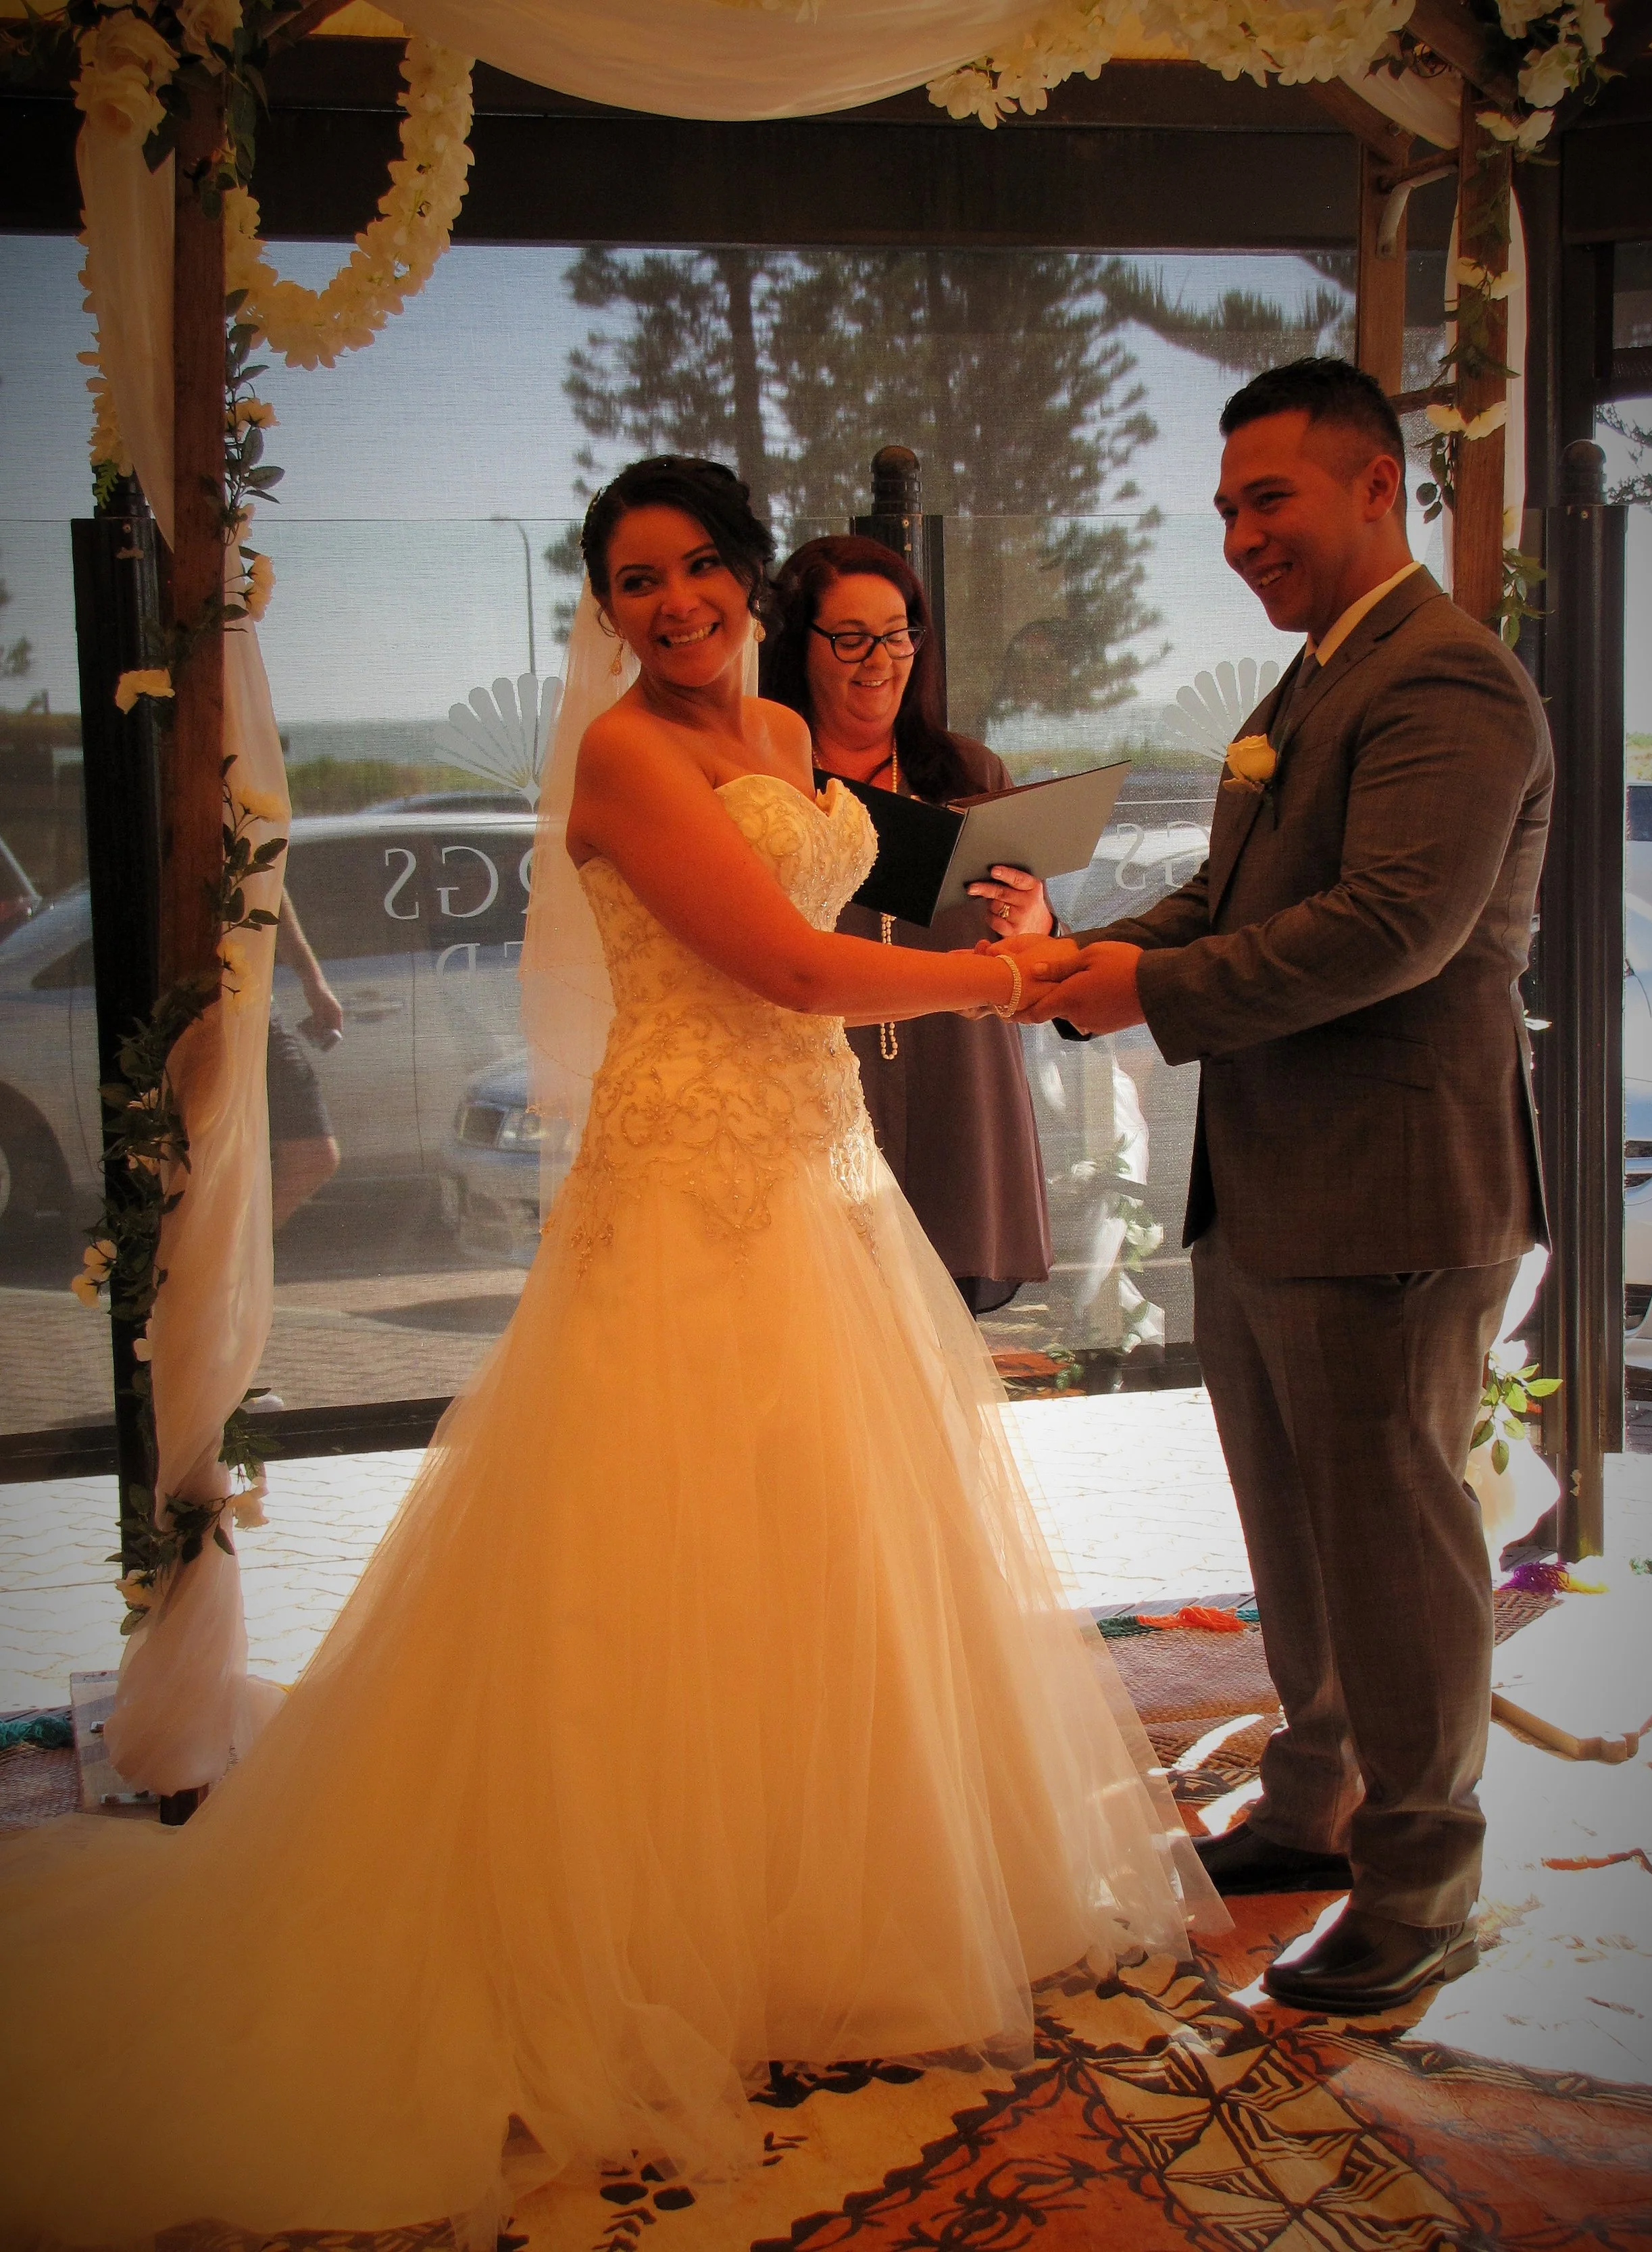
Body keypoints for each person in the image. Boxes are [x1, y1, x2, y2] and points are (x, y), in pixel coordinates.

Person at [0, 457, 1217, 2239]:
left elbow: (873, 894)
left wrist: (1008, 912)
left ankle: (829, 1914)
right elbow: (789, 972)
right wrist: (1007, 987)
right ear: (606, 604)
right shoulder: (623, 763)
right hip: (683, 1189)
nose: (673, 606)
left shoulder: (795, 731)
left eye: (698, 569)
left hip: (825, 1187)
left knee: (836, 1547)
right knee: (658, 1554)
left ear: (742, 574)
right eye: (634, 582)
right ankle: (644, 1935)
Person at [998, 360, 1553, 2016]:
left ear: (1376, 487)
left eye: (1270, 499)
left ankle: (1423, 1881)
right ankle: (1312, 1809)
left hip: (1389, 1198)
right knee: (1295, 1529)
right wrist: (1089, 952)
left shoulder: (1448, 684)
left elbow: (1395, 927)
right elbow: (1230, 887)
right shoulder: (1316, 678)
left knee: (1392, 1546)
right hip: (1274, 1186)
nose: (1239, 534)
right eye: (1227, 506)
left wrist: (1136, 995)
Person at [764, 536, 1053, 1314]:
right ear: (800, 646)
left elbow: (1032, 941)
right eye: (851, 638)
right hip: (816, 1091)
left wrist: (1031, 914)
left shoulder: (968, 774)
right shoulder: (766, 786)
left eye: (898, 635)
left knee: (937, 1371)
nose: (880, 659)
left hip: (958, 1084)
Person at [268, 886, 344, 1232]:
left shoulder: (245, 836)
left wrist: (313, 981)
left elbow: (267, 882)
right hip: (189, 1009)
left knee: (313, 1156)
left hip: (251, 1007)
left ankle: (225, 1270)